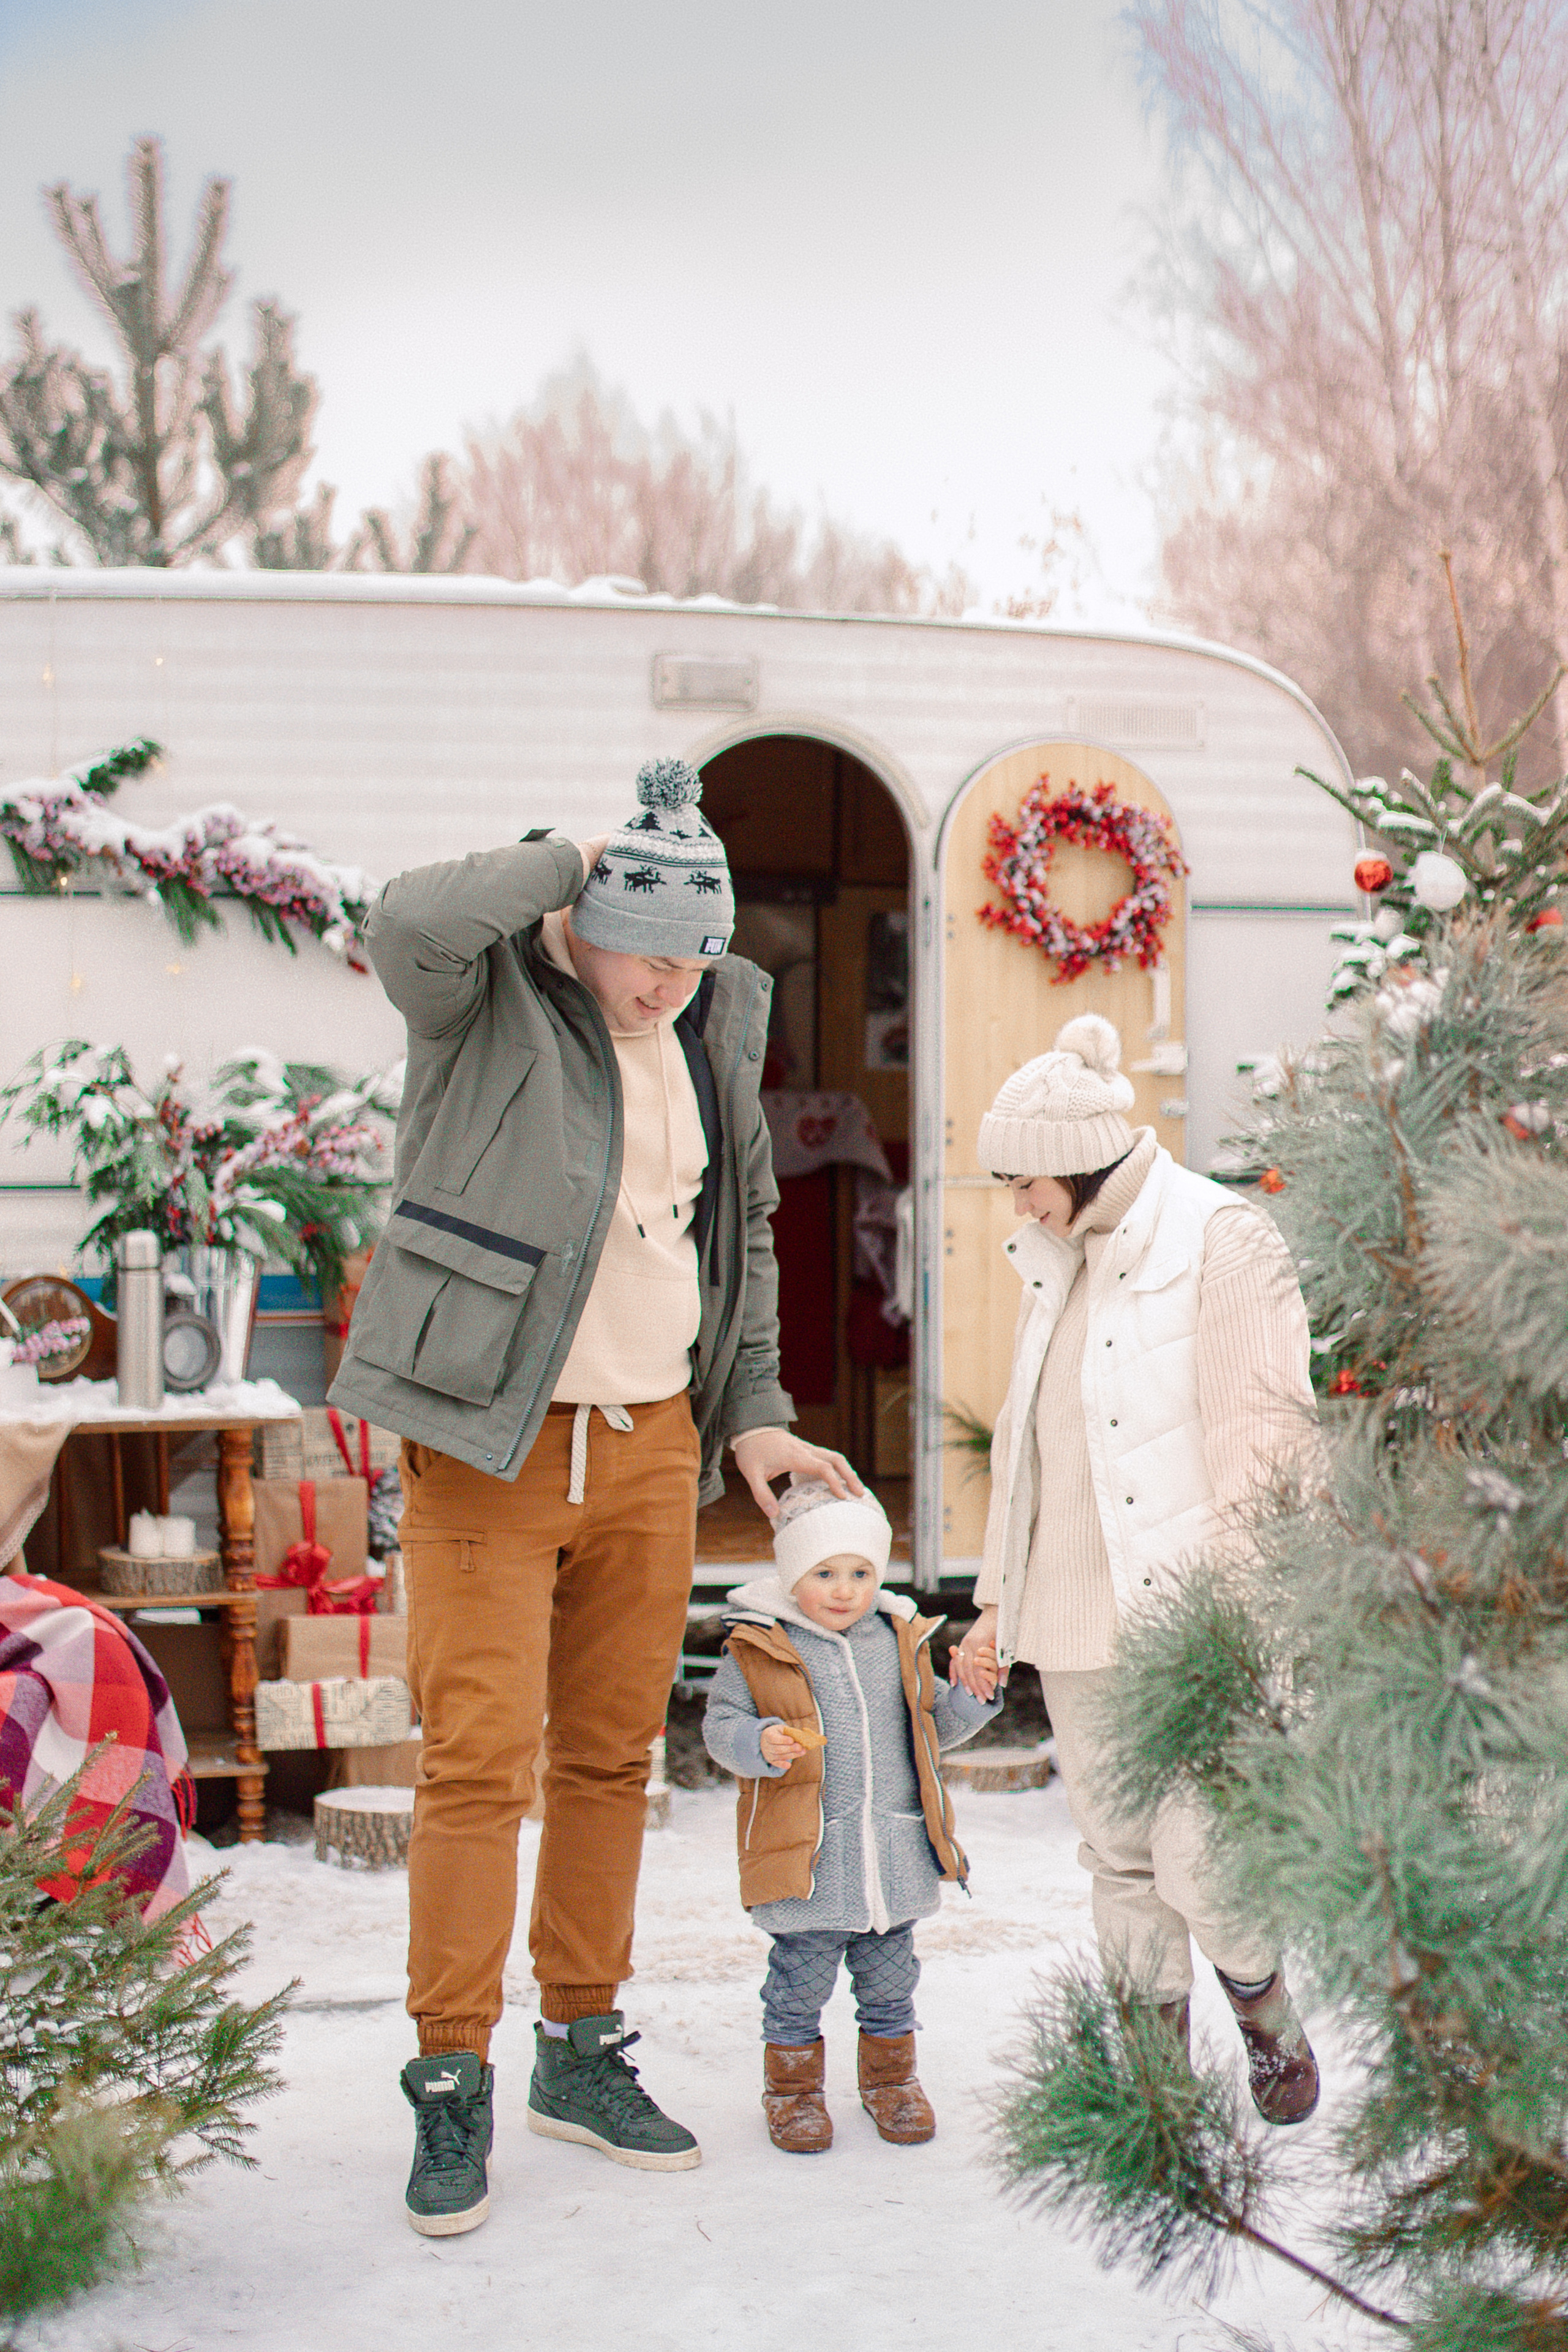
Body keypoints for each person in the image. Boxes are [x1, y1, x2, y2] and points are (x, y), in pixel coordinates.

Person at [330, 756, 860, 2235]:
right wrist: (573, 860)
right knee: (477, 1767)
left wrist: (754, 1417)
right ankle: (450, 2072)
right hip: (487, 1443)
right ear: (591, 920)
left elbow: (738, 1226)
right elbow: (400, 918)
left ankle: (577, 2047)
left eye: (695, 958)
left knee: (613, 1762)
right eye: (648, 952)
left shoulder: (706, 1026)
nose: (668, 987)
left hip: (645, 1450)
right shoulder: (483, 990)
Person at [949, 1014, 1323, 2124]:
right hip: (1072, 1608)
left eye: (1025, 1183)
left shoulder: (1221, 1237)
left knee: (1202, 1852)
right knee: (1116, 1855)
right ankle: (1156, 2081)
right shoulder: (1058, 1257)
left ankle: (1264, 2013)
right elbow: (1026, 1447)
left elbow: (1268, 1442)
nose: (1017, 1206)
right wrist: (994, 1604)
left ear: (1075, 1161)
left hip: (1188, 1606)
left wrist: (1259, 1619)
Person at [703, 1478, 1000, 2153]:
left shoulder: (895, 1640)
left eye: (861, 1573)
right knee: (798, 1988)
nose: (844, 1591)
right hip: (810, 1862)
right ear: (792, 1574)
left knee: (892, 1985)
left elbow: (929, 1729)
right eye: (825, 1574)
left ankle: (892, 2083)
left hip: (891, 1860)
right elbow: (721, 1726)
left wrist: (972, 1698)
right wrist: (757, 1742)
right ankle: (793, 2094)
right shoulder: (759, 1645)